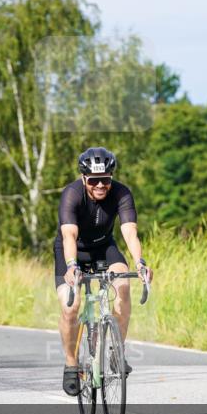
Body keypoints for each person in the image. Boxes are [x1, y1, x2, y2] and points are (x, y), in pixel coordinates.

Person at [55, 147, 153, 396]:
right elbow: (69, 234)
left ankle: (114, 353)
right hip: (72, 251)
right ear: (84, 178)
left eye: (105, 180)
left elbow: (129, 231)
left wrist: (140, 262)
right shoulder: (72, 194)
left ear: (111, 177)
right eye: (94, 181)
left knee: (123, 284)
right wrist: (71, 266)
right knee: (71, 307)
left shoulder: (122, 193)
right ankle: (70, 364)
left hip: (104, 248)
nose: (100, 185)